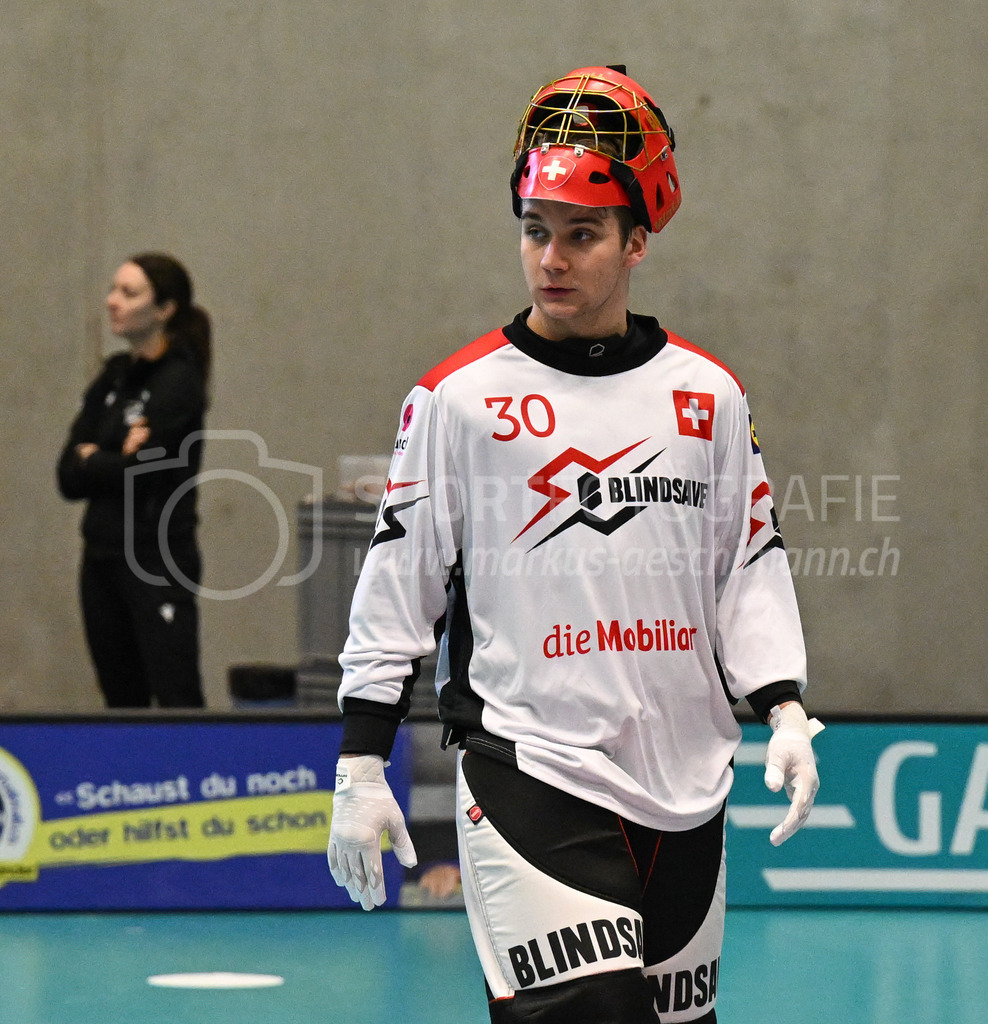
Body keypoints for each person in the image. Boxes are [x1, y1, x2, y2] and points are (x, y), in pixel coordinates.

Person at [328, 66, 822, 1023]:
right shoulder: (458, 400)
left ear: (637, 242)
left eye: (582, 234)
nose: (550, 258)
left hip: (686, 785)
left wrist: (787, 708)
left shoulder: (709, 395)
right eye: (534, 230)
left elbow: (748, 564)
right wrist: (359, 764)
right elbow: (398, 585)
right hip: (531, 770)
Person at [58, 253, 211, 708]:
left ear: (164, 309)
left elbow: (141, 474)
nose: (112, 301)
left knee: (175, 692)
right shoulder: (113, 378)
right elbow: (67, 475)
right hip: (101, 557)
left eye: (129, 293)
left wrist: (96, 457)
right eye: (112, 289)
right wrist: (110, 457)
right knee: (120, 700)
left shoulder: (178, 382)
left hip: (154, 558)